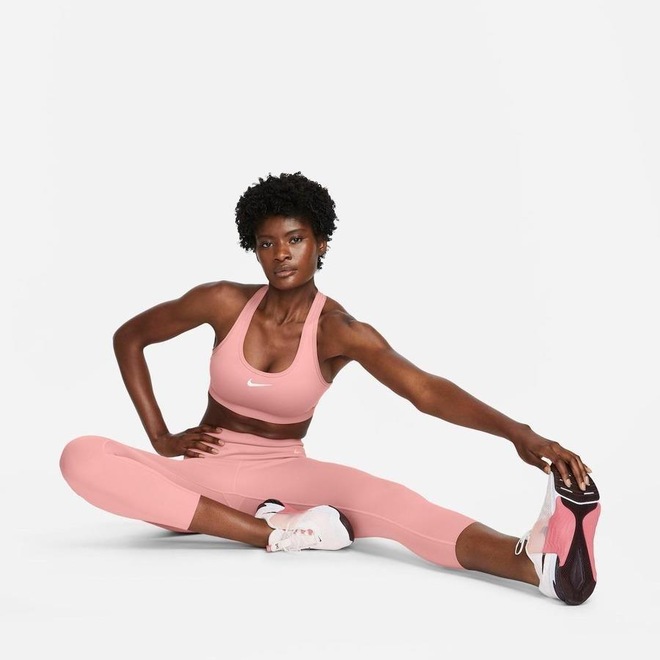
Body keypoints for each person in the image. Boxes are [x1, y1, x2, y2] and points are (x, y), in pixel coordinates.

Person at [60, 171, 601, 605]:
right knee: (81, 456)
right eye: (267, 243)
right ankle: (274, 532)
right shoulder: (222, 301)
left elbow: (426, 390)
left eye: (295, 239)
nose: (281, 254)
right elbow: (130, 337)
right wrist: (160, 438)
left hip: (285, 473)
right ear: (254, 249)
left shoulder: (338, 330)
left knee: (393, 501)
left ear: (320, 243)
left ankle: (534, 563)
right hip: (198, 475)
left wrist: (520, 434)